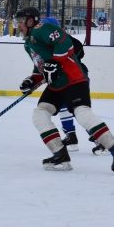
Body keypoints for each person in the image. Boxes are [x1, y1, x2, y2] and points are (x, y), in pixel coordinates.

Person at [16, 7, 114, 173]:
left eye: (20, 22)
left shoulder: (42, 29)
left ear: (30, 21)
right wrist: (31, 80)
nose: (18, 26)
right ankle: (60, 155)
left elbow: (64, 42)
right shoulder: (28, 44)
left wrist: (55, 63)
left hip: (73, 79)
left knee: (82, 113)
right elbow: (42, 69)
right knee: (40, 114)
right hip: (56, 85)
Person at [40, 16, 80, 150]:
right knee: (65, 108)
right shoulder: (46, 45)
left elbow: (76, 56)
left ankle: (99, 140)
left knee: (78, 110)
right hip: (63, 82)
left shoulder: (66, 41)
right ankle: (71, 136)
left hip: (74, 80)